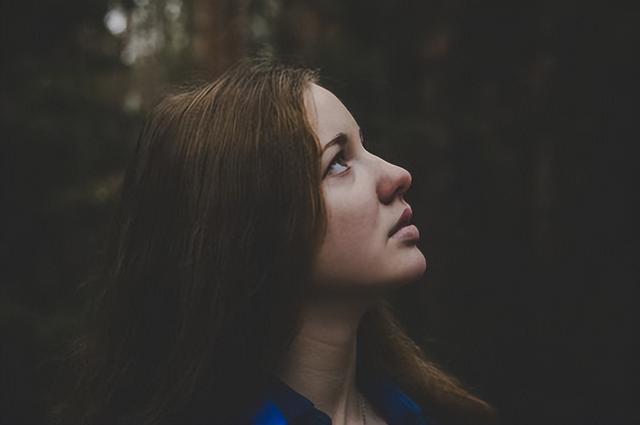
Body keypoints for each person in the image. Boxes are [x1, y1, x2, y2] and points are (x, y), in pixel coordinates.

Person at [53, 59, 495, 425]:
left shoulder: (428, 412)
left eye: (364, 147)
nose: (397, 174)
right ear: (251, 226)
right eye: (338, 162)